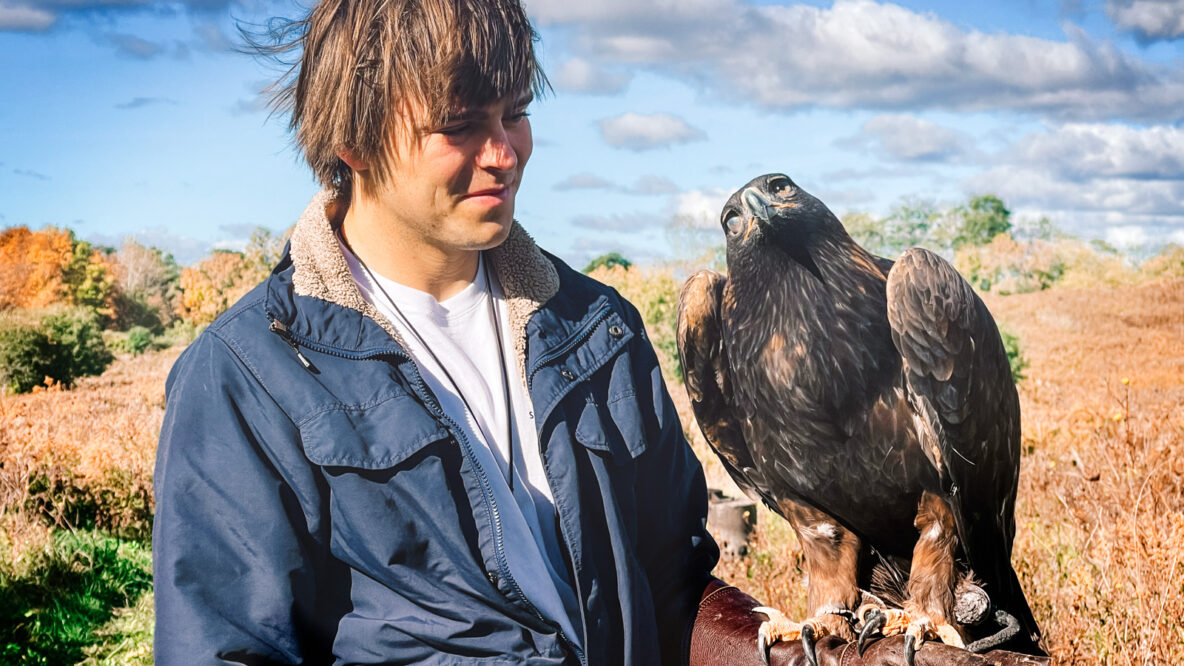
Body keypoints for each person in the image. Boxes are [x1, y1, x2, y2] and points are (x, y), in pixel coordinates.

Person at [152, 1, 1035, 664]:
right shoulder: (248, 379)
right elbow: (224, 647)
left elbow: (667, 585)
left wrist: (806, 656)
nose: (504, 152)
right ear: (351, 140)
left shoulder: (596, 331)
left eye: (515, 112)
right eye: (461, 125)